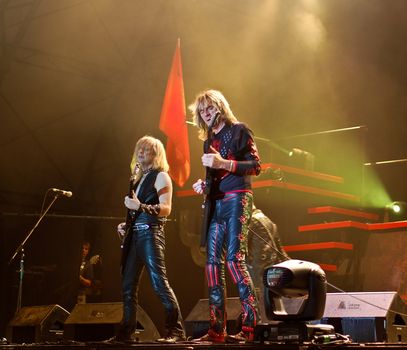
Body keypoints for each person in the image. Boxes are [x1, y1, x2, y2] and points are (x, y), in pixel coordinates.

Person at [190, 89, 261, 343]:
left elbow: (255, 166)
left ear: (219, 107)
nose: (205, 114)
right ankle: (216, 330)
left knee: (234, 260)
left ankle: (250, 327)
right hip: (216, 204)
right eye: (201, 111)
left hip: (238, 198)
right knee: (211, 265)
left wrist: (223, 164)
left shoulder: (240, 130)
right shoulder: (207, 140)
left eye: (209, 108)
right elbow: (214, 176)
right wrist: (204, 185)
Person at [113, 135, 186, 343]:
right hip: (135, 234)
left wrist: (140, 207)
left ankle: (176, 331)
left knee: (159, 283)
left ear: (156, 154)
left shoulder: (161, 176)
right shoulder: (137, 179)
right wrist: (126, 225)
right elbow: (137, 210)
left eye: (146, 149)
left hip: (151, 234)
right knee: (128, 285)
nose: (141, 151)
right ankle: (125, 333)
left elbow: (166, 209)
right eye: (139, 148)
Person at [247, 205, 290, 321]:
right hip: (271, 273)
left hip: (258, 272)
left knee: (262, 308)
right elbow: (281, 252)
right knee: (274, 304)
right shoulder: (269, 221)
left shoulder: (252, 221)